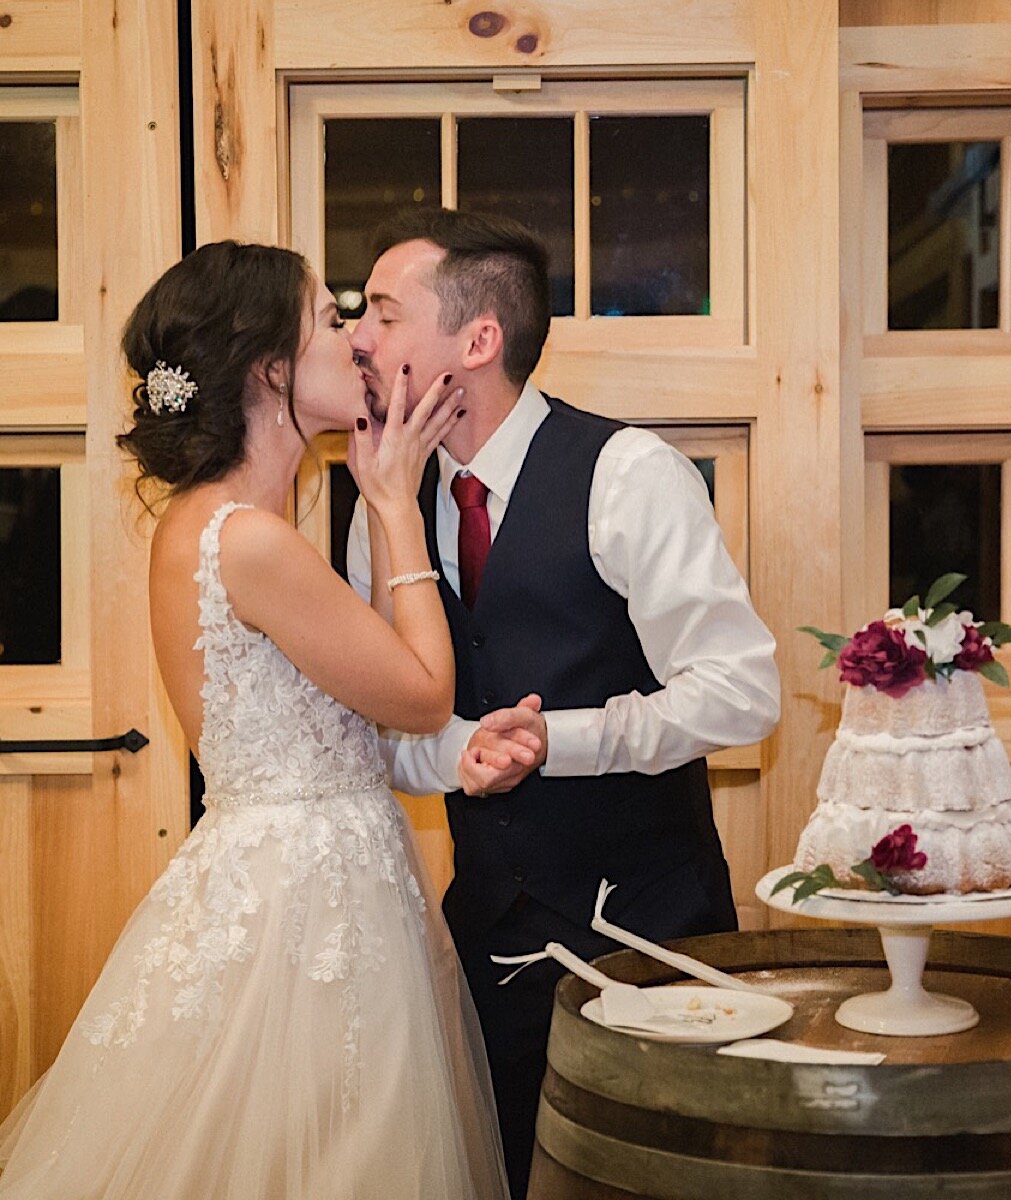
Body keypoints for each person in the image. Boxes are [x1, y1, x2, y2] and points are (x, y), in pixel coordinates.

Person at [0, 240, 507, 1199]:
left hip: (300, 878)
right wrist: (394, 504)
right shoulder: (251, 540)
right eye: (328, 320)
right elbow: (426, 689)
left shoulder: (212, 525)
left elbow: (373, 704)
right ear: (269, 366)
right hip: (306, 907)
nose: (355, 342)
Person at [345, 209, 780, 1198]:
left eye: (381, 312)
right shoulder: (380, 507)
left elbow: (744, 693)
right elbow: (378, 732)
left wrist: (564, 741)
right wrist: (461, 756)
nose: (358, 340)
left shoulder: (629, 476)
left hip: (651, 934)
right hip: (488, 939)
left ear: (478, 341)